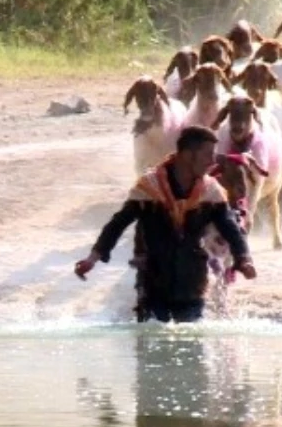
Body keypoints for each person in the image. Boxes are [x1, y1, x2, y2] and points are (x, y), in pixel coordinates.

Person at [74, 125, 257, 323]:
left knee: (191, 343)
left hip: (191, 284)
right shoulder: (148, 188)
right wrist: (92, 259)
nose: (213, 162)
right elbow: (118, 223)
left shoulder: (211, 192)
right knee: (151, 336)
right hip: (153, 284)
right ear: (187, 155)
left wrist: (244, 259)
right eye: (207, 155)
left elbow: (230, 227)